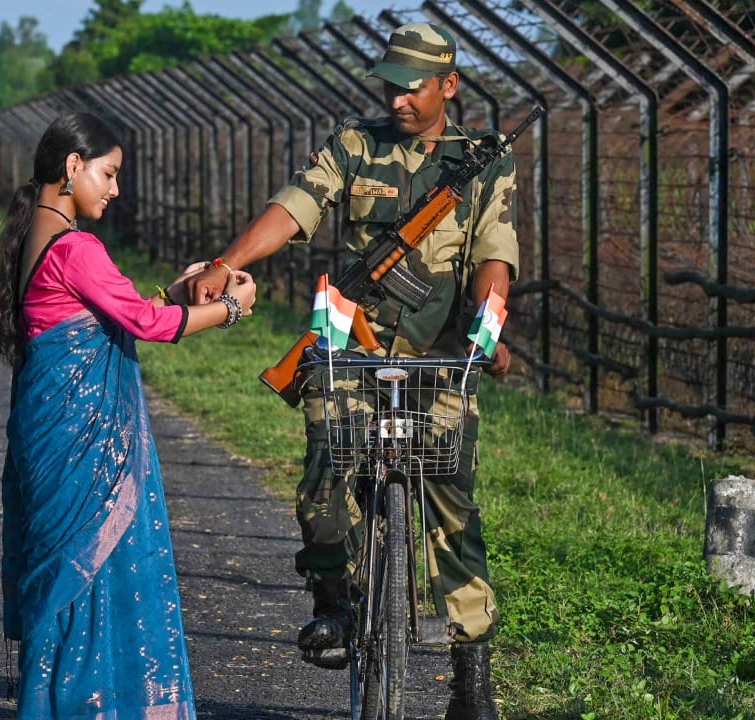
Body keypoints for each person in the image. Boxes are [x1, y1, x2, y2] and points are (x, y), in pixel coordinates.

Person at [185, 23, 514, 720]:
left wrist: (491, 322)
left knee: (452, 499)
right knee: (327, 467)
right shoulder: (355, 144)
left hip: (437, 357)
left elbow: (493, 254)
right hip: (355, 346)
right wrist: (227, 263)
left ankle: (470, 679)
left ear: (448, 86)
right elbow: (294, 207)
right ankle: (333, 603)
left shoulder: (481, 161)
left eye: (412, 87)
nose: (396, 98)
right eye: (389, 85)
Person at [0, 112, 257, 719]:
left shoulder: (37, 238)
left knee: (68, 568)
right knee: (97, 558)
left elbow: (112, 310)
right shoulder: (77, 247)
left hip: (49, 430)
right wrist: (231, 308)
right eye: (107, 174)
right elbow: (145, 324)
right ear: (72, 167)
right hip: (83, 437)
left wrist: (178, 292)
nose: (114, 189)